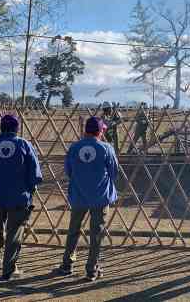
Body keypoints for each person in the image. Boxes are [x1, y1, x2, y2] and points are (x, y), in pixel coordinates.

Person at [0, 115, 42, 280]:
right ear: (16, 128)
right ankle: (9, 269)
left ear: (1, 128)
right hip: (19, 197)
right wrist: (32, 186)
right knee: (14, 233)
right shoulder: (24, 144)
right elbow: (34, 171)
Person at [58, 116, 119, 281]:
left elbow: (69, 171)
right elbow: (114, 172)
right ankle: (92, 269)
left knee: (74, 230)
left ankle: (67, 264)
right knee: (96, 233)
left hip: (78, 195)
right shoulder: (107, 148)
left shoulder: (74, 147)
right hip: (100, 197)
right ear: (100, 131)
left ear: (86, 130)